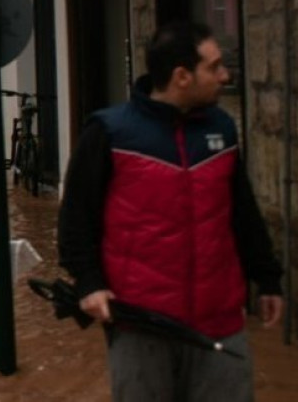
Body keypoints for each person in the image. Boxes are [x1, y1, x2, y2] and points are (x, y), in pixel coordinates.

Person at [58, 21, 283, 401]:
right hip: (141, 327)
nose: (224, 75)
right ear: (182, 76)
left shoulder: (222, 131)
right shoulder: (109, 133)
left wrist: (268, 278)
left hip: (220, 321)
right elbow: (75, 220)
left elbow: (241, 211)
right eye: (213, 67)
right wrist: (89, 283)